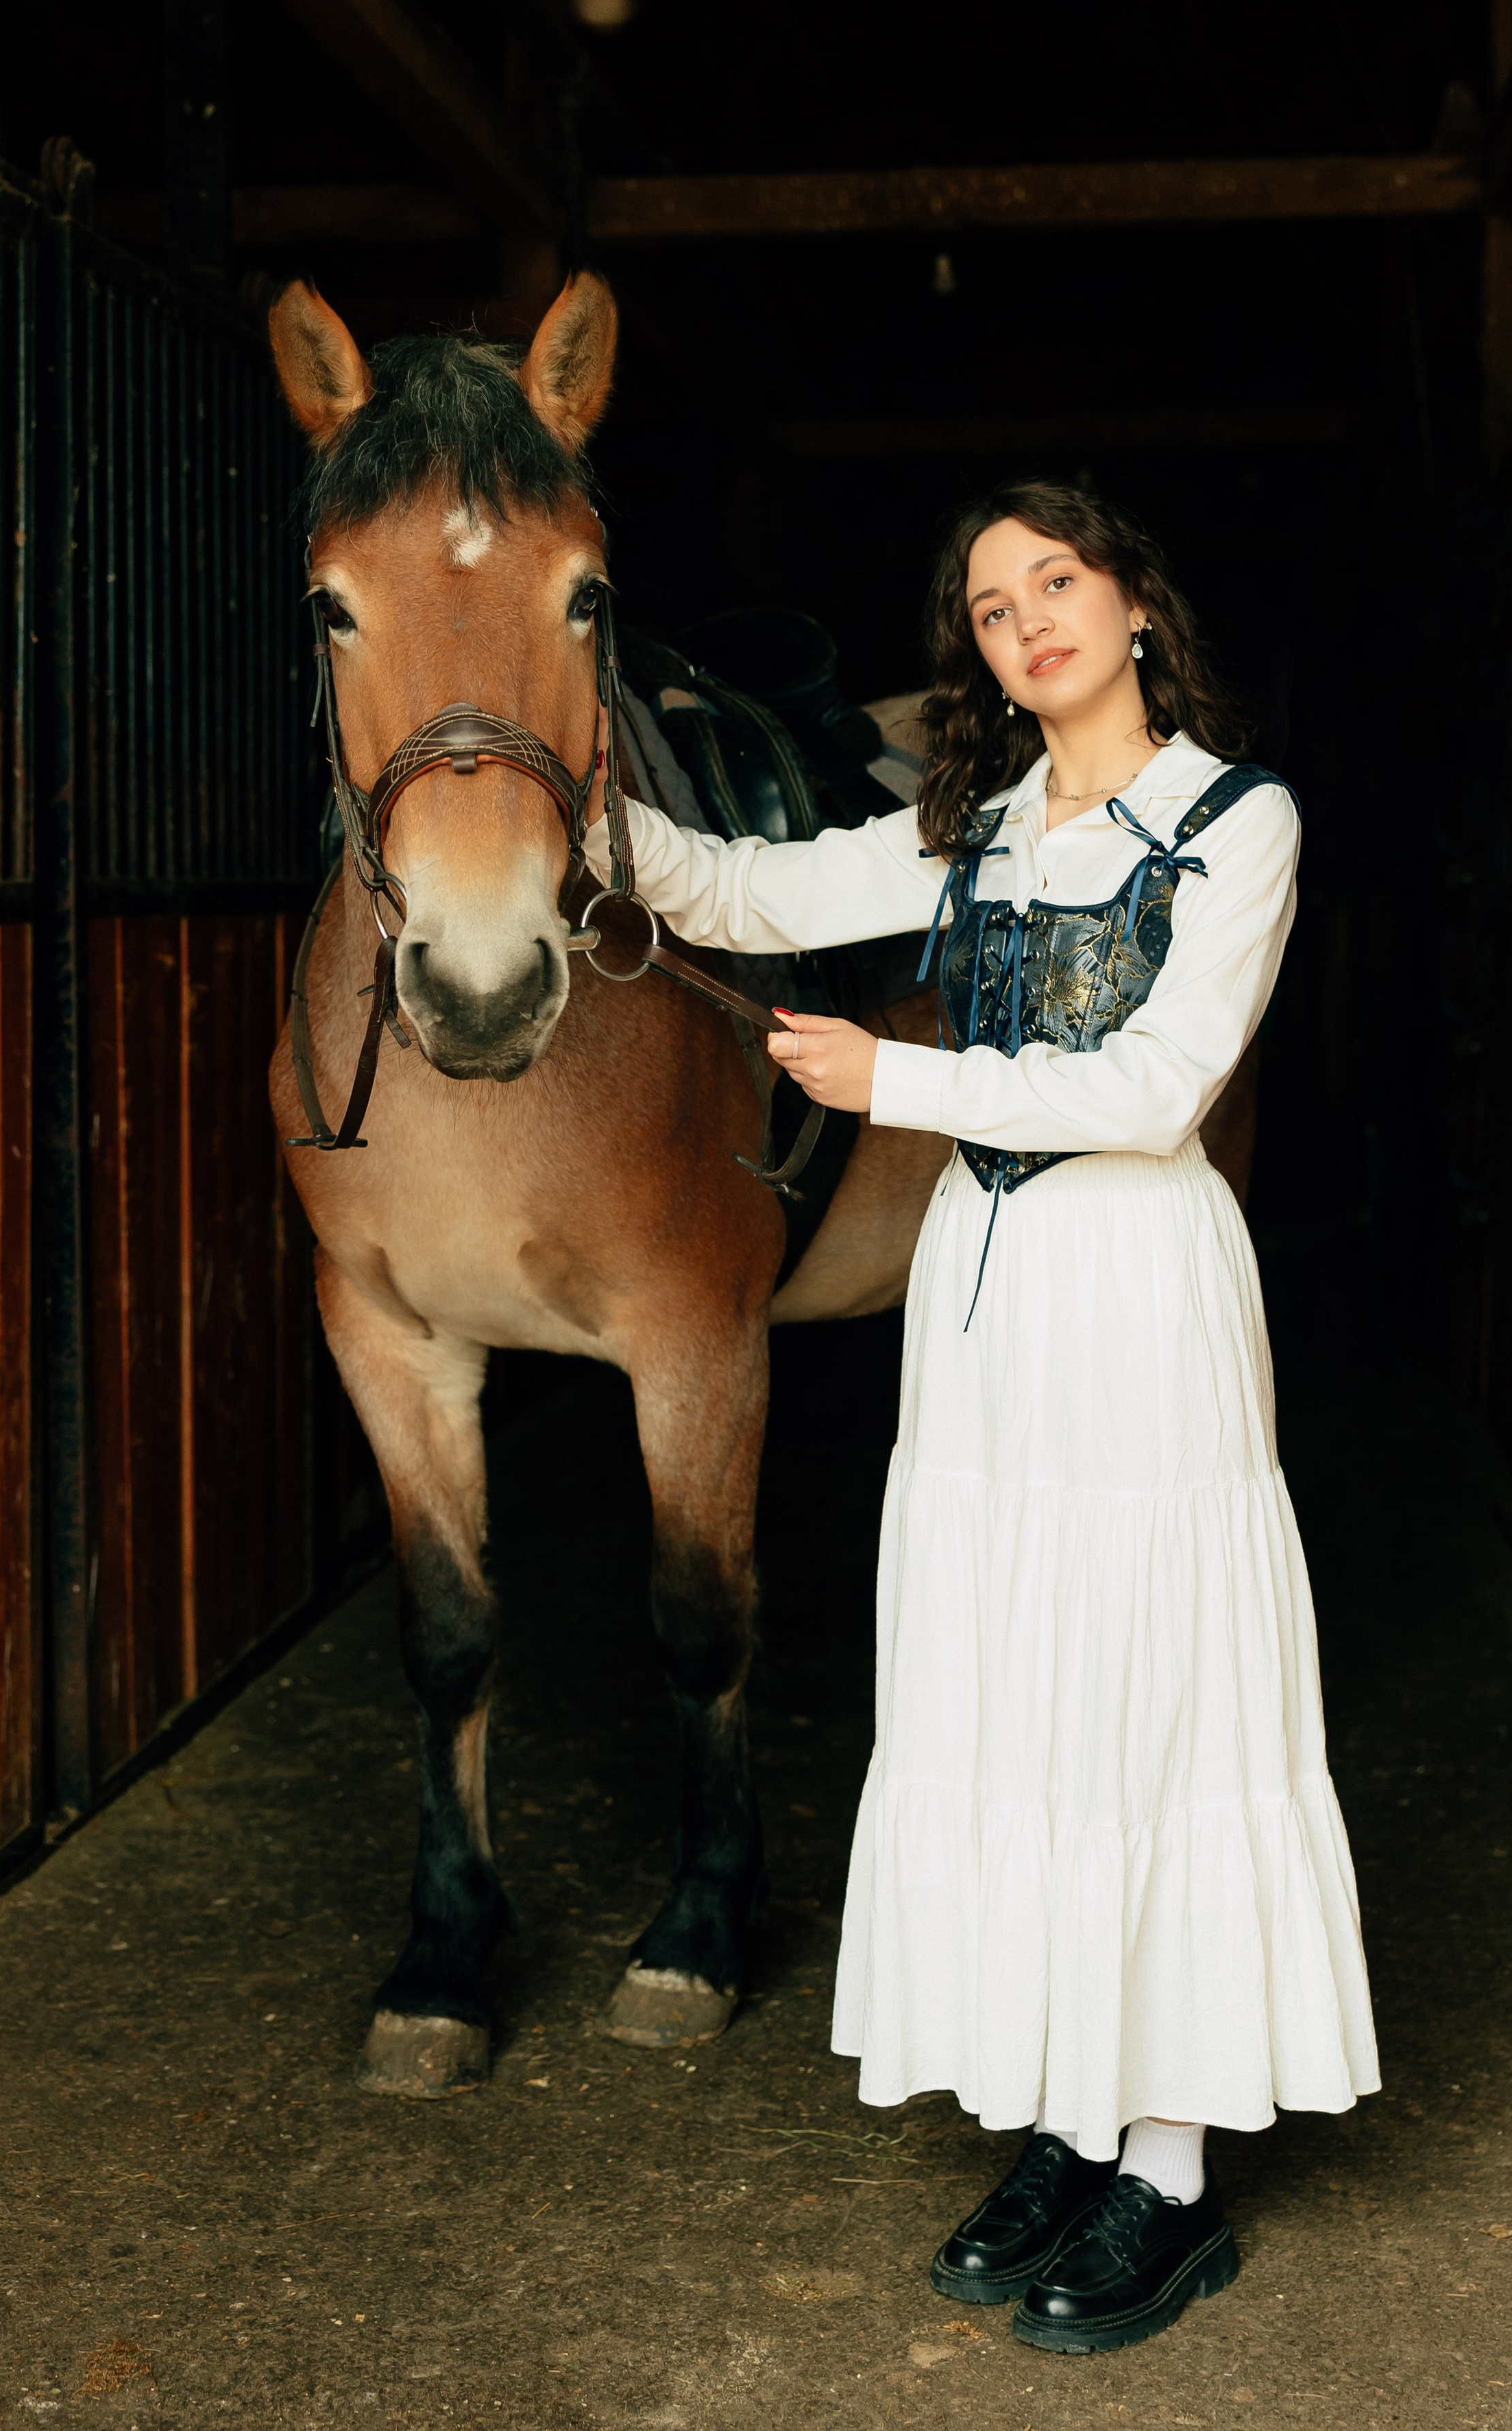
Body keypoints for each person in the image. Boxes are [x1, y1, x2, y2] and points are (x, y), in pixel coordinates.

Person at [589, 480, 1378, 2357]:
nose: (1024, 618)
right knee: (1014, 1686)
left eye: (1055, 580)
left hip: (1139, 1294)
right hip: (985, 1303)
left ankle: (1169, 2177)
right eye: (988, 603)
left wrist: (895, 1077)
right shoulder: (981, 823)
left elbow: (1165, 1085)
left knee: (1150, 1690)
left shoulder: (1236, 819)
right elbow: (745, 892)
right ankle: (1068, 2125)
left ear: (1129, 600)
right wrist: (553, 792)